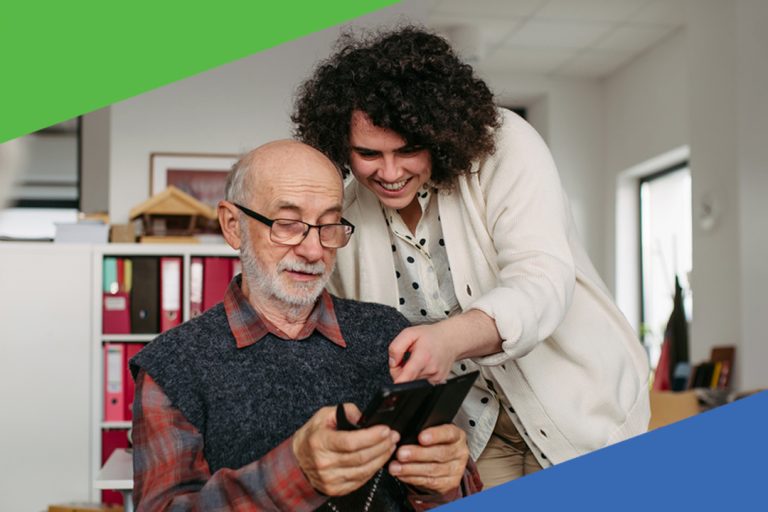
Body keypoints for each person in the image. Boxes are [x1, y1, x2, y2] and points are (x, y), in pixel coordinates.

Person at [292, 26, 651, 488]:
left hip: (582, 413)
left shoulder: (506, 147)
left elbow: (541, 279)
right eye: (368, 153)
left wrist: (449, 339)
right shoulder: (345, 218)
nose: (389, 173)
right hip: (474, 438)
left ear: (439, 136)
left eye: (408, 150)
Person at [130, 140, 480, 511]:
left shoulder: (389, 333)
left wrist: (442, 483)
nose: (314, 251)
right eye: (288, 225)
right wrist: (296, 475)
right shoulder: (172, 366)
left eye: (329, 225)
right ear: (233, 226)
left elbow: (459, 491)